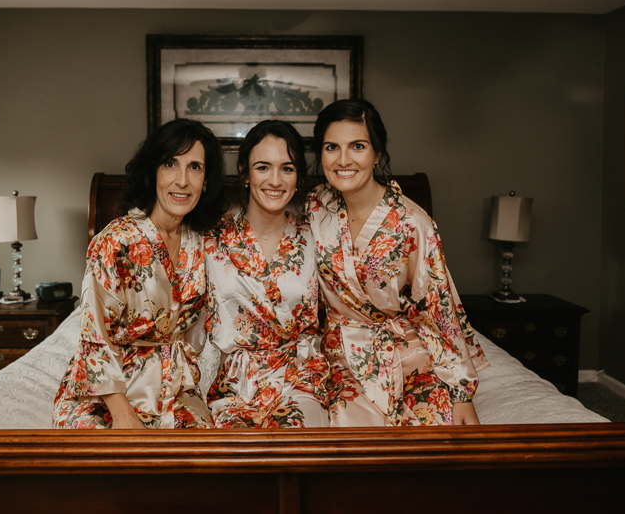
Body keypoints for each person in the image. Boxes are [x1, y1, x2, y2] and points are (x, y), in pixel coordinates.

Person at [305, 99, 489, 427]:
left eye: (357, 146)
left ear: (377, 153)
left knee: (432, 436)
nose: (343, 160)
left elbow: (438, 308)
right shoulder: (316, 208)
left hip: (407, 352)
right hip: (342, 353)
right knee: (352, 446)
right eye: (332, 147)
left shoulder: (412, 222)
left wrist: (462, 393)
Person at [53, 119, 227, 429]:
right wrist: (123, 416)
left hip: (176, 387)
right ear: (153, 171)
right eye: (170, 164)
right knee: (116, 465)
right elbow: (95, 339)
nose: (183, 181)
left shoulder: (204, 243)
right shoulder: (114, 242)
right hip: (108, 393)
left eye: (195, 167)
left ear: (207, 178)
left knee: (203, 464)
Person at [203, 120, 330, 428]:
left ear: (298, 176)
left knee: (292, 445)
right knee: (236, 465)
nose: (275, 180)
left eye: (287, 168)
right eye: (263, 167)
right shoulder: (210, 240)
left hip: (300, 378)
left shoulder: (319, 237)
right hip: (233, 384)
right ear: (245, 174)